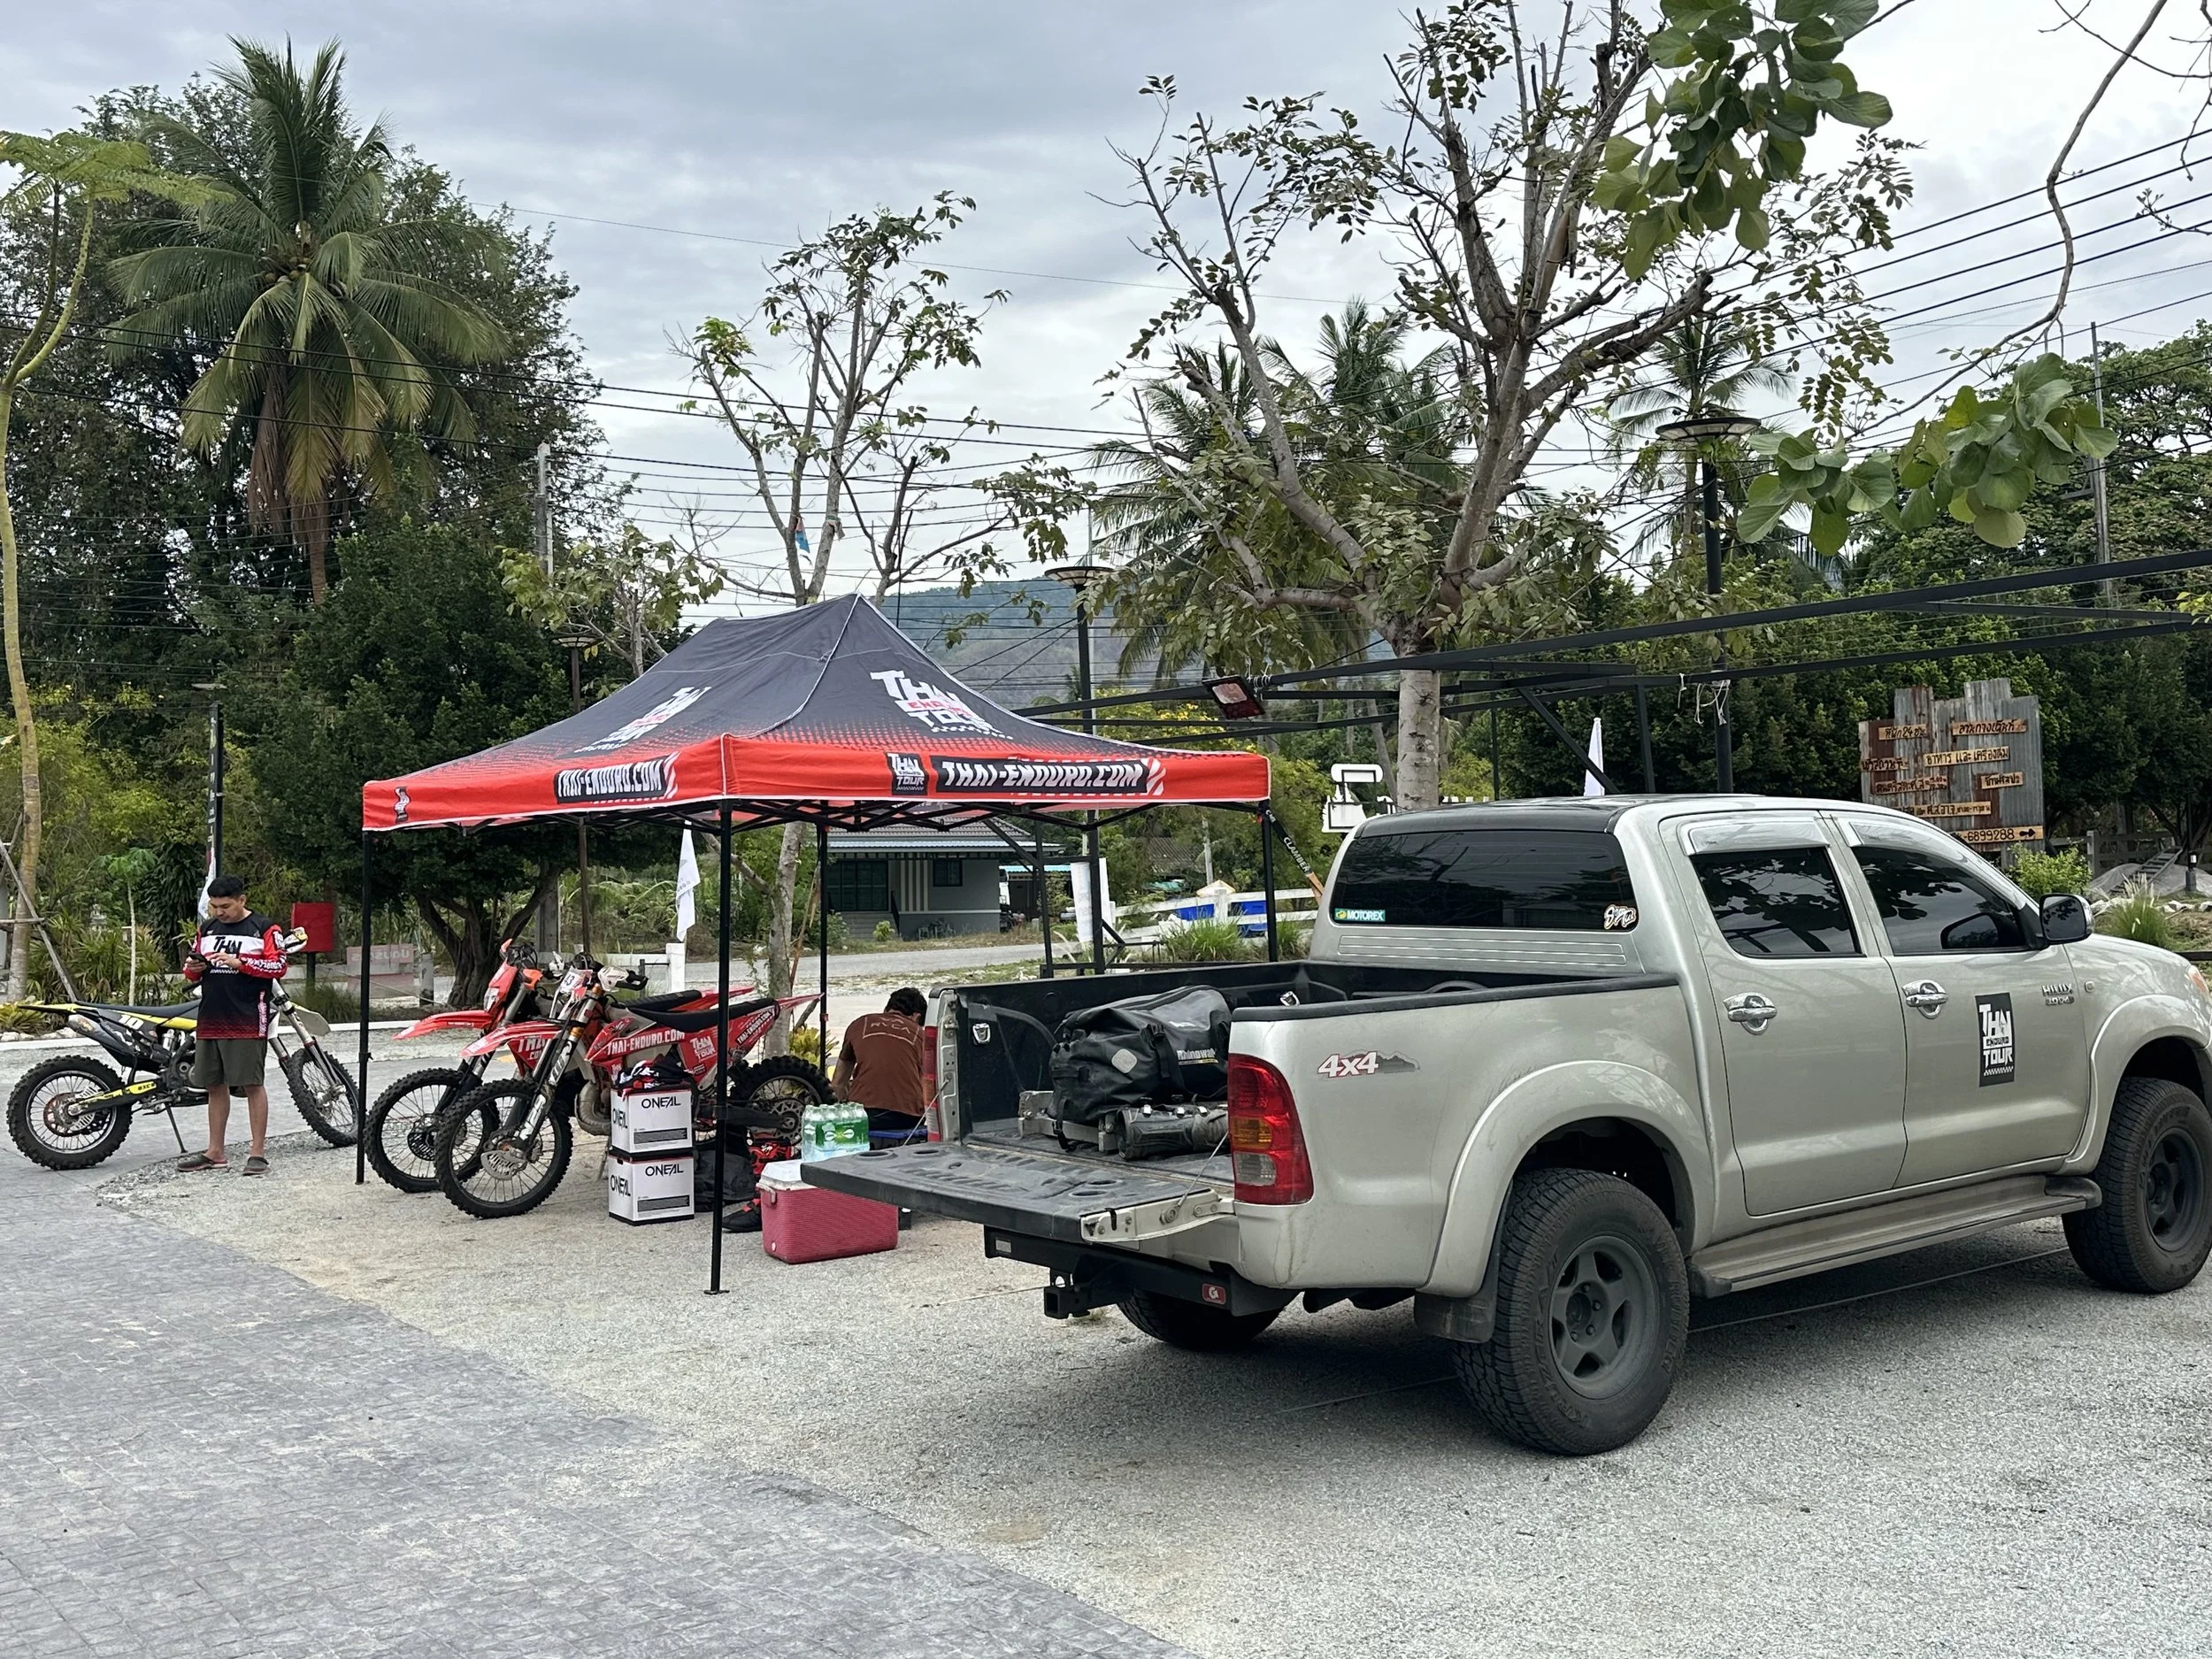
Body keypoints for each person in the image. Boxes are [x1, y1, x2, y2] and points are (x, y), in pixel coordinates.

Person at [174, 874, 290, 1175]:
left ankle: (257, 1153)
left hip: (248, 1016)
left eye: (225, 906)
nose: (219, 913)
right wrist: (194, 968)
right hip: (211, 1015)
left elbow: (279, 966)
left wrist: (242, 964)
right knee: (213, 1084)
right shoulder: (208, 928)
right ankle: (215, 1152)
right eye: (214, 907)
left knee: (252, 1083)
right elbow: (192, 972)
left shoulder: (265, 928)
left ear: (242, 900)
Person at [833, 987, 929, 1138]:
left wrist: (844, 1107)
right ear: (917, 1017)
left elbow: (838, 1082)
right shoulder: (921, 1035)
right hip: (908, 1118)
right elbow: (927, 1087)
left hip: (862, 1115)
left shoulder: (859, 1024)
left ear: (886, 1009)